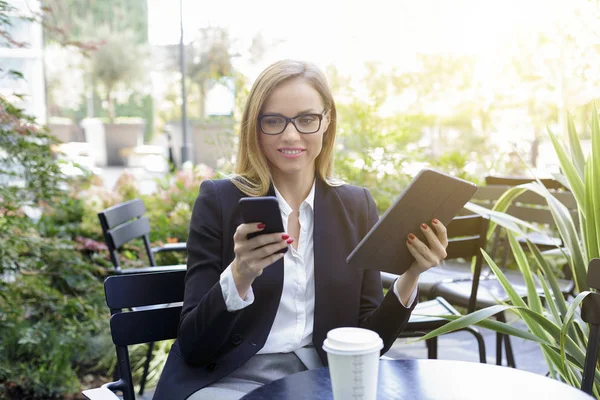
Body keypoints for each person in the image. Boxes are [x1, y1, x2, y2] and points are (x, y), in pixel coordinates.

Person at [154, 60, 449, 400]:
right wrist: (240, 274)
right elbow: (194, 346)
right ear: (255, 127)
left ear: (327, 122)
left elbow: (369, 340)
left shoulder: (355, 207)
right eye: (274, 121)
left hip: (320, 380)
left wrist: (411, 275)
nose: (291, 135)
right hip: (229, 379)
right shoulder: (219, 201)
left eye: (307, 119)